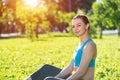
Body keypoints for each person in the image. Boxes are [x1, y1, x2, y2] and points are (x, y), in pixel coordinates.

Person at [25, 14, 97, 80]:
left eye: (79, 25)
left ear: (87, 26)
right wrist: (55, 78)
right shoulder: (80, 45)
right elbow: (70, 68)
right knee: (46, 69)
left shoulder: (89, 45)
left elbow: (81, 72)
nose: (75, 29)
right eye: (73, 26)